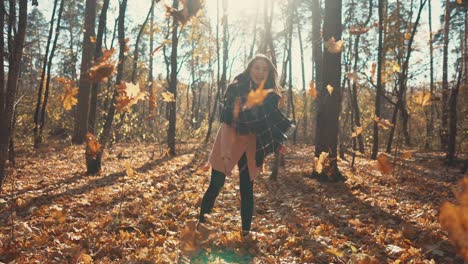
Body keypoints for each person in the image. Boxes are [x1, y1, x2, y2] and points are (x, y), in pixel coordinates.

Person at [198, 54, 295, 238]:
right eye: (256, 68)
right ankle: (200, 226)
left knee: (247, 189)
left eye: (264, 69)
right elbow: (228, 118)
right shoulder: (236, 88)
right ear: (250, 69)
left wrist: (278, 142)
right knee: (216, 185)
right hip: (229, 139)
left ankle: (246, 233)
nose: (260, 72)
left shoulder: (270, 97)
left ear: (269, 73)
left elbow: (271, 124)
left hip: (250, 146)